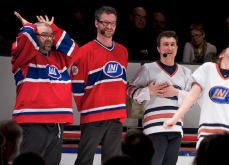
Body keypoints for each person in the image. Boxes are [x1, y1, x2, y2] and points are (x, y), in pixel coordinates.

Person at [11, 12, 78, 165]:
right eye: (43, 35)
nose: (49, 38)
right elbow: (24, 39)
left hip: (58, 124)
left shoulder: (59, 59)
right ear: (34, 36)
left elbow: (74, 50)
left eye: (51, 35)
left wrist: (53, 28)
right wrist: (29, 26)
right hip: (33, 122)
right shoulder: (23, 58)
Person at [70, 6, 128, 165]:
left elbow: (120, 83)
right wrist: (88, 108)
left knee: (112, 161)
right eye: (105, 23)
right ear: (96, 23)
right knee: (84, 160)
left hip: (116, 116)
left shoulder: (123, 51)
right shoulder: (84, 51)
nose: (109, 27)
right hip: (93, 115)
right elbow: (76, 87)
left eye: (112, 23)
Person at [127, 31, 192, 165]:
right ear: (158, 48)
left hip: (176, 128)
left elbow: (191, 101)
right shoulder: (147, 69)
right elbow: (131, 90)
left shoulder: (185, 72)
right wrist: (148, 91)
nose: (169, 48)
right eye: (166, 44)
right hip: (154, 128)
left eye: (172, 44)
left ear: (177, 48)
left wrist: (176, 93)